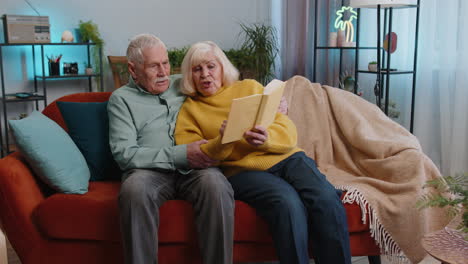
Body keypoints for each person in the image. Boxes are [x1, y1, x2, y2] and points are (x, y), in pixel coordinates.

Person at [174, 41, 352, 264]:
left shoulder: (249, 87)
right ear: (189, 76)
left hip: (286, 157)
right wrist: (224, 140)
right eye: (197, 69)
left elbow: (287, 129)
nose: (205, 75)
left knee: (325, 197)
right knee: (287, 203)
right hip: (241, 171)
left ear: (222, 68)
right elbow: (196, 154)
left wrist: (266, 139)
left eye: (211, 66)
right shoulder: (190, 109)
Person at [107, 34, 234, 264]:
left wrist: (275, 103)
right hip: (149, 173)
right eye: (154, 66)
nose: (163, 72)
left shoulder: (182, 82)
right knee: (134, 189)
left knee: (216, 184)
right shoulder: (120, 100)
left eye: (165, 63)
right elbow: (124, 154)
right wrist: (181, 155)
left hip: (195, 170)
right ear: (133, 70)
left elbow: (228, 85)